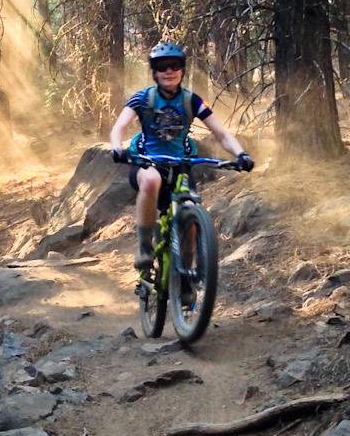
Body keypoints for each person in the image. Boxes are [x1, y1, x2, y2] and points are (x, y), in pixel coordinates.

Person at [108, 41, 254, 272]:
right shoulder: (142, 98)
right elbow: (119, 127)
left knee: (191, 219)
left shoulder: (192, 101)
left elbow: (221, 133)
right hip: (147, 162)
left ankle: (186, 276)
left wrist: (241, 154)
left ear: (182, 69)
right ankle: (144, 246)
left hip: (181, 166)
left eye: (174, 65)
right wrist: (117, 148)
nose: (169, 71)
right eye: (162, 66)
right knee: (152, 179)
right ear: (154, 72)